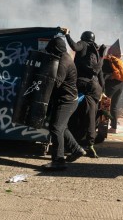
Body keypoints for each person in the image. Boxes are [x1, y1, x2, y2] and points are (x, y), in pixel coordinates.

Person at [42, 36, 86, 171]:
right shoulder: (65, 57)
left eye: (51, 50)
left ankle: (58, 161)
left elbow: (57, 82)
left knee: (55, 128)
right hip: (68, 99)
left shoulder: (63, 61)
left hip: (66, 101)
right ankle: (76, 149)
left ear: (55, 49)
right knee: (62, 127)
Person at [65, 29, 105, 158]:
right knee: (90, 116)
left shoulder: (82, 44)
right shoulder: (97, 53)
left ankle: (71, 144)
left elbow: (74, 47)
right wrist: (103, 91)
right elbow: (100, 75)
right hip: (95, 88)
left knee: (71, 113)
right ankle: (90, 144)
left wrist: (67, 35)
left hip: (80, 84)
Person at [102, 54, 123, 133]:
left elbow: (103, 75)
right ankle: (113, 128)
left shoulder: (105, 61)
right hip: (121, 83)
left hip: (112, 84)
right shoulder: (116, 59)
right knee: (114, 106)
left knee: (105, 104)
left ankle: (103, 128)